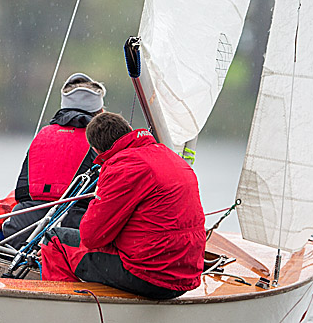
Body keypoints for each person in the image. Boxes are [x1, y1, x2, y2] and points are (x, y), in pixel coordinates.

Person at [39, 112, 206, 300]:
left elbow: (91, 237)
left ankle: (68, 310)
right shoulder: (170, 156)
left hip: (151, 277)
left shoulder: (124, 167)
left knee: (55, 240)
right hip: (185, 276)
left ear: (96, 150)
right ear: (129, 131)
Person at [2, 73, 106, 245]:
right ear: (100, 112)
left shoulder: (44, 134)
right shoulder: (100, 142)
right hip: (69, 233)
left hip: (19, 230)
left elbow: (23, 192)